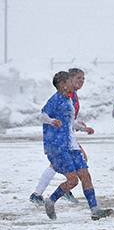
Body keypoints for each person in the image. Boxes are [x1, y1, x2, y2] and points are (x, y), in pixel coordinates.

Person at [39, 71, 112, 221]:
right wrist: (51, 121)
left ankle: (95, 210)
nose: (76, 84)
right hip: (58, 145)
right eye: (72, 81)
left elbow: (69, 121)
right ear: (63, 84)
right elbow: (42, 115)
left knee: (86, 175)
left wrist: (83, 128)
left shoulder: (68, 100)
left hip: (71, 144)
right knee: (73, 181)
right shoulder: (56, 99)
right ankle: (51, 200)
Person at [29, 67, 93, 206]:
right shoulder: (66, 95)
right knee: (67, 164)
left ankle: (46, 192)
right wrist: (56, 123)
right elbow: (47, 114)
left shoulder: (72, 95)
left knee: (69, 163)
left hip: (67, 135)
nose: (81, 81)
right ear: (67, 81)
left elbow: (68, 117)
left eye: (83, 78)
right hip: (59, 137)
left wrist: (79, 126)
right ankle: (45, 193)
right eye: (78, 78)